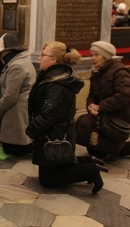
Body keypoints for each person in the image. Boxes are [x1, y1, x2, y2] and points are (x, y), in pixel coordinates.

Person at [26, 41, 105, 194]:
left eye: (43, 55)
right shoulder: (52, 76)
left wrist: (31, 130)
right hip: (55, 133)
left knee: (48, 180)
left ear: (54, 60)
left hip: (55, 134)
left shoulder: (56, 84)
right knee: (54, 169)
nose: (40, 58)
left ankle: (90, 170)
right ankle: (87, 162)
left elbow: (49, 115)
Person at [76, 41, 130, 161]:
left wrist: (100, 107)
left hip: (118, 118)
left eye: (96, 55)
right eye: (91, 55)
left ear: (105, 56)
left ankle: (114, 149)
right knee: (81, 125)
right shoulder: (98, 72)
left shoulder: (119, 72)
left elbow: (124, 95)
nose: (93, 58)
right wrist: (90, 106)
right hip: (103, 114)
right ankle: (112, 149)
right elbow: (91, 96)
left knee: (83, 124)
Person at [0, 33, 35, 155]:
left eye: (1, 54)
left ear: (8, 51)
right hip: (18, 111)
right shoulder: (19, 61)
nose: (0, 57)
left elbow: (10, 96)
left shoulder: (17, 66)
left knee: (12, 148)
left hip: (16, 112)